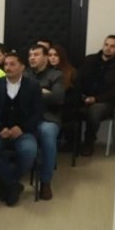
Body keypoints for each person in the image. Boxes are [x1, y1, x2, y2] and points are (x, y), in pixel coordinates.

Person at [0, 53, 43, 206]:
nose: (7, 67)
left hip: (23, 131)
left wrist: (22, 128)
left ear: (22, 67)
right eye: (6, 64)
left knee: (29, 151)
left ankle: (5, 181)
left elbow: (37, 112)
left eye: (12, 64)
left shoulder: (33, 86)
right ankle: (12, 183)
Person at [28, 44, 64, 200]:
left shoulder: (56, 75)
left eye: (36, 54)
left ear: (45, 57)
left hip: (48, 117)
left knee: (48, 134)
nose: (32, 58)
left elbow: (57, 98)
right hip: (26, 117)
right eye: (30, 55)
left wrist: (33, 90)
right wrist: (42, 91)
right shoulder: (24, 73)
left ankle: (45, 181)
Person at [78, 35, 115, 155]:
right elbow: (78, 79)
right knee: (67, 103)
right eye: (106, 44)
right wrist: (81, 95)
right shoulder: (90, 60)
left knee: (95, 110)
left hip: (105, 103)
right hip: (83, 97)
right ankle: (70, 141)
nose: (108, 48)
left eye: (112, 46)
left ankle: (88, 143)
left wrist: (95, 99)